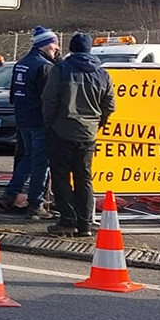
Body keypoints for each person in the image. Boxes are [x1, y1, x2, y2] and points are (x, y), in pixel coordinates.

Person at [41, 32, 116, 238]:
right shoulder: (102, 74)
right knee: (84, 178)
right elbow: (109, 105)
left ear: (71, 49)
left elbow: (49, 100)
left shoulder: (61, 70)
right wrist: (97, 124)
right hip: (88, 133)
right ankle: (85, 223)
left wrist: (49, 124)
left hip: (62, 130)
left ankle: (67, 220)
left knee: (61, 176)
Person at [1, 26, 61, 218]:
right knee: (40, 164)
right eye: (54, 45)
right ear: (45, 45)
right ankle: (36, 204)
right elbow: (49, 99)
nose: (57, 49)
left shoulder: (22, 63)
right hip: (39, 121)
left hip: (22, 119)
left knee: (27, 158)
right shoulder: (45, 67)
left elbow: (13, 95)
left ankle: (9, 195)